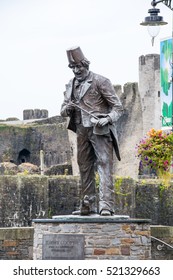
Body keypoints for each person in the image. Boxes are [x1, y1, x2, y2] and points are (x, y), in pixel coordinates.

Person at [61, 46, 123, 216]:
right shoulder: (70, 84)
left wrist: (107, 118)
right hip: (81, 130)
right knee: (84, 166)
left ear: (86, 65)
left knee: (104, 165)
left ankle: (106, 206)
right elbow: (62, 110)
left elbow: (118, 107)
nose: (76, 70)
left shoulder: (101, 81)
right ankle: (88, 205)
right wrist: (67, 109)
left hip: (99, 130)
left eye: (79, 67)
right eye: (73, 68)